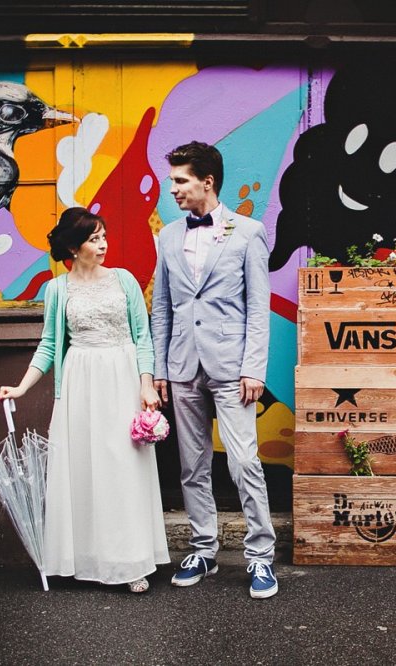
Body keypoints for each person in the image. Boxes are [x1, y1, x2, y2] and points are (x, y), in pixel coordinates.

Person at [0, 207, 170, 594]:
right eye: (94, 239)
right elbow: (49, 345)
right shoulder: (57, 289)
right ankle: (87, 557)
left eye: (104, 236)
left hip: (122, 379)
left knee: (123, 468)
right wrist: (21, 387)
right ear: (74, 248)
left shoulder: (124, 281)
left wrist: (146, 385)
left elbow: (142, 338)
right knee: (85, 470)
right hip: (80, 383)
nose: (104, 244)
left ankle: (130, 560)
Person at [150, 141, 278, 599]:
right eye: (172, 180)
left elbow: (258, 307)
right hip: (183, 366)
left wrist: (253, 368)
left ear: (207, 182)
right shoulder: (167, 236)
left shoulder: (248, 232)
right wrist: (161, 368)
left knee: (243, 462)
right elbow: (162, 308)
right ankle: (203, 549)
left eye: (180, 180)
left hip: (232, 367)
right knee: (192, 465)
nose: (173, 189)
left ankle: (260, 555)